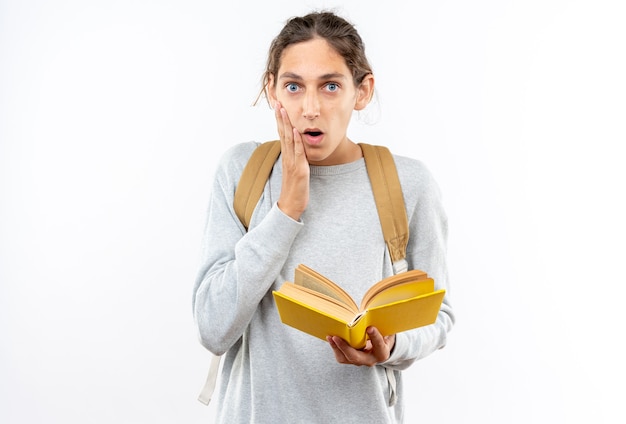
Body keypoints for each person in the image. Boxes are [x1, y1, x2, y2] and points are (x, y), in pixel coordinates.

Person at [192, 11, 454, 423]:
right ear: (272, 90)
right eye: (293, 86)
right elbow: (213, 327)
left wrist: (393, 344)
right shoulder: (240, 171)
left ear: (362, 90)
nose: (310, 108)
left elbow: (439, 315)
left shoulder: (409, 183)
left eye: (330, 86)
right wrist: (286, 210)